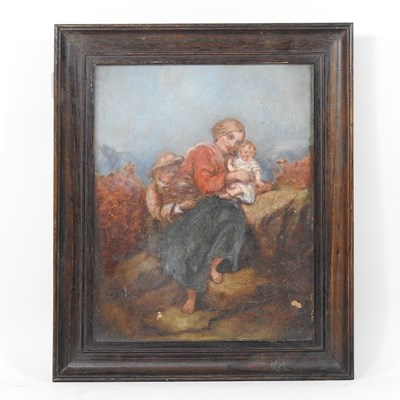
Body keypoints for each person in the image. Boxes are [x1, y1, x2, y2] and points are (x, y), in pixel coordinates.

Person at [161, 118, 252, 314]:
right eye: (230, 137)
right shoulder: (204, 151)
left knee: (235, 219)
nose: (233, 144)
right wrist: (231, 177)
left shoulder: (227, 158)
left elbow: (221, 188)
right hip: (190, 207)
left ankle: (213, 266)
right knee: (199, 240)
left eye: (238, 142)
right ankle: (191, 296)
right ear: (219, 135)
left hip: (211, 205)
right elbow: (204, 186)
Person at [146, 152, 196, 256]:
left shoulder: (181, 181)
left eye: (175, 171)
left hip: (184, 220)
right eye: (168, 171)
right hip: (163, 225)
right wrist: (179, 207)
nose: (172, 174)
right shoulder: (153, 188)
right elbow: (156, 211)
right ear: (158, 173)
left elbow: (192, 194)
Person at [222, 139, 264, 204]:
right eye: (240, 152)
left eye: (246, 152)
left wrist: (258, 181)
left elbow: (257, 172)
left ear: (252, 153)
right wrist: (229, 163)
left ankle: (232, 194)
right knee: (231, 186)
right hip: (236, 181)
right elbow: (233, 170)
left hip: (246, 183)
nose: (242, 154)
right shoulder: (238, 161)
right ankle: (230, 195)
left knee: (242, 188)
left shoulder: (252, 164)